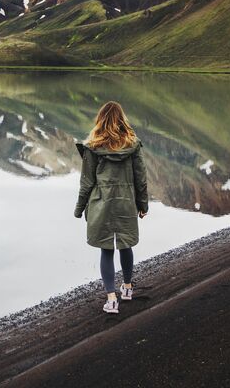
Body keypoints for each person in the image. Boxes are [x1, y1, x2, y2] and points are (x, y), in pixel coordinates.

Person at [74, 101, 149, 314]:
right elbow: (141, 178)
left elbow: (86, 182)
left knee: (106, 249)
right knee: (125, 244)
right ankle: (127, 288)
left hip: (101, 203)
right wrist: (143, 204)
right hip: (126, 201)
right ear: (122, 120)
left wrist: (79, 208)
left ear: (100, 120)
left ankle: (111, 299)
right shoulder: (133, 144)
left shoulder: (93, 147)